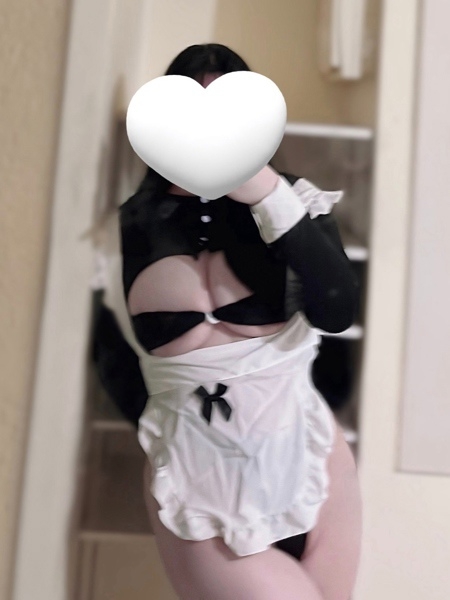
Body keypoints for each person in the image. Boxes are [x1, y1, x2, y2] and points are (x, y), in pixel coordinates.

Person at [93, 43, 362, 600]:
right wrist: (161, 428)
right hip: (193, 472)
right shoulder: (130, 221)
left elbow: (337, 311)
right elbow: (97, 342)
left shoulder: (293, 198)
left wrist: (267, 194)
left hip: (306, 453)